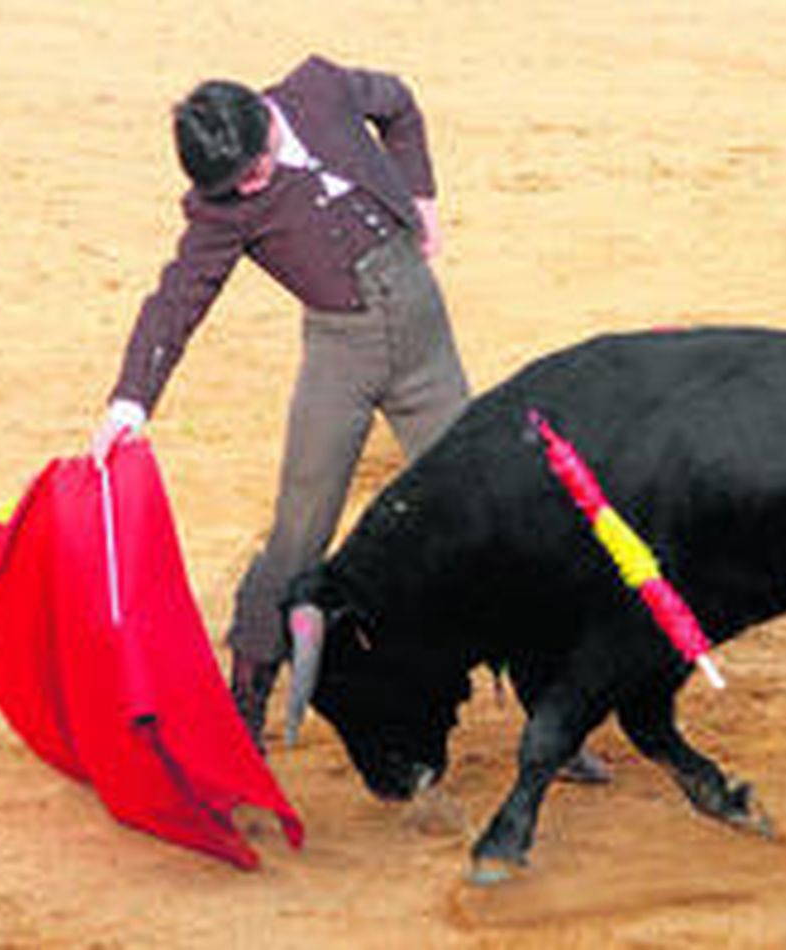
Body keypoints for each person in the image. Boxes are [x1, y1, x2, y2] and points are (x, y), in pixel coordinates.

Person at [90, 56, 608, 782]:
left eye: (250, 171)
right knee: (300, 533)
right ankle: (244, 705)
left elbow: (399, 104)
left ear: (268, 126)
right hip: (341, 355)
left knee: (494, 522)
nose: (245, 189)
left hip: (426, 345)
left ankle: (550, 712)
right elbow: (179, 295)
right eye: (230, 184)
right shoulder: (224, 204)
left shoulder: (319, 89)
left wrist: (421, 197)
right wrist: (130, 399)